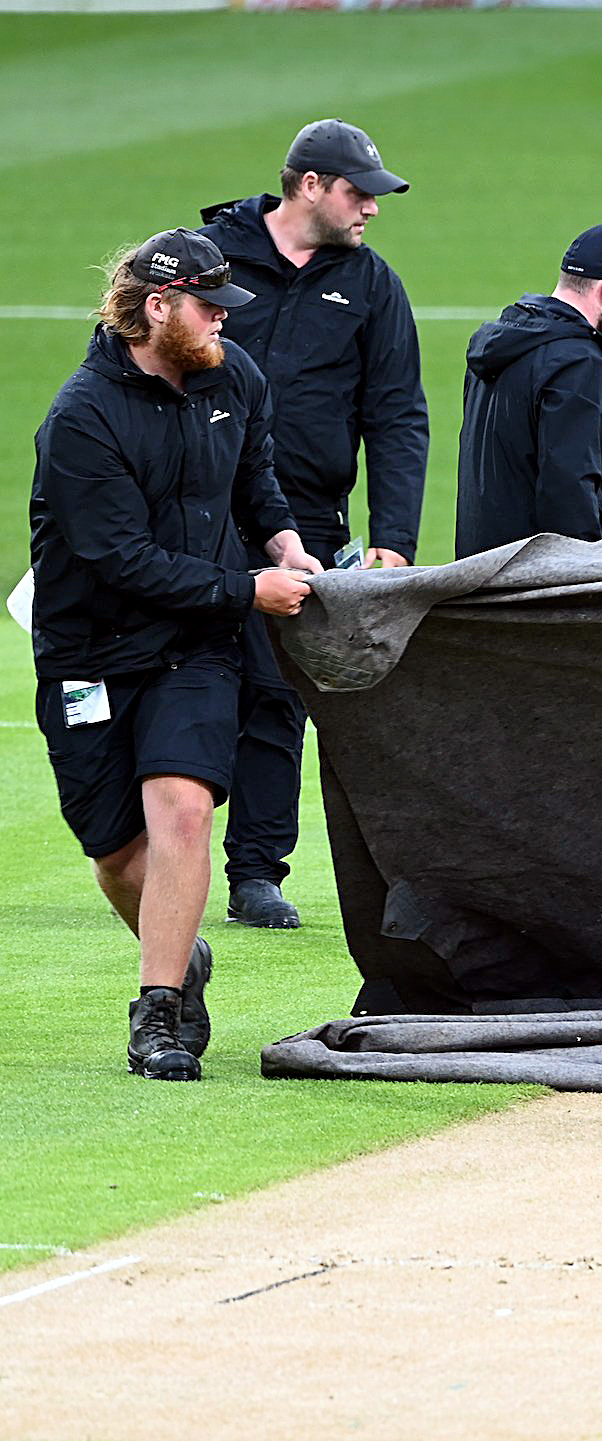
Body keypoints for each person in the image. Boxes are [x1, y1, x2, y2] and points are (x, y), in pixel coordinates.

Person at [29, 229, 322, 1080]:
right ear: (158, 310)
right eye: (208, 309)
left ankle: (158, 1014)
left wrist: (282, 540)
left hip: (197, 648)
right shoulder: (82, 417)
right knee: (118, 854)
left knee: (183, 808)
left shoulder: (234, 380)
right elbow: (119, 559)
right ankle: (181, 954)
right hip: (92, 653)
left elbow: (253, 476)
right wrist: (247, 591)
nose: (224, 326)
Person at [199, 117, 427, 930]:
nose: (371, 209)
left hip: (303, 521)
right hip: (193, 514)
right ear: (309, 187)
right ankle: (143, 838)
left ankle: (255, 871)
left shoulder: (370, 285)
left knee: (275, 693)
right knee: (168, 678)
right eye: (359, 193)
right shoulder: (209, 260)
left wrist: (393, 535)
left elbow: (397, 415)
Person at [455, 223, 602, 556]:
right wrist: (584, 583)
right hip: (537, 587)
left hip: (480, 572)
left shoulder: (502, 347)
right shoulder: (579, 364)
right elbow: (569, 491)